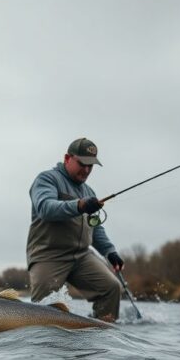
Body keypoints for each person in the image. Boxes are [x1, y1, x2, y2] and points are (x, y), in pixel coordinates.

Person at [27, 137, 125, 322]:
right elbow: (45, 208)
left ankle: (101, 334)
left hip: (82, 256)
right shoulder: (46, 179)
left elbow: (95, 227)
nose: (87, 170)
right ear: (67, 158)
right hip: (48, 255)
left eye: (91, 166)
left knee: (112, 287)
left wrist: (110, 251)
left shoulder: (89, 192)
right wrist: (79, 205)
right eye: (82, 164)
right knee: (43, 312)